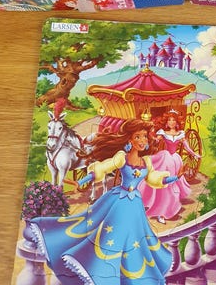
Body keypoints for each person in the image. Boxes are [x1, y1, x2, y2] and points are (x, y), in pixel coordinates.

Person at [30, 118, 175, 285]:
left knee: (134, 239)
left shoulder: (146, 161)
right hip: (118, 201)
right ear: (129, 140)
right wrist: (83, 180)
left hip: (135, 205)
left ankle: (129, 275)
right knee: (109, 234)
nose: (142, 140)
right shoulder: (122, 157)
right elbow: (103, 168)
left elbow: (153, 177)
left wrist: (170, 179)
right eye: (137, 137)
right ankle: (99, 270)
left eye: (144, 136)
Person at [139, 110, 198, 224]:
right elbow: (156, 140)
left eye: (173, 120)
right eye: (169, 120)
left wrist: (194, 153)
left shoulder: (180, 133)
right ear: (166, 122)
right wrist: (152, 137)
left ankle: (165, 209)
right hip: (165, 158)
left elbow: (186, 146)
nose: (171, 122)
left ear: (177, 122)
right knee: (161, 182)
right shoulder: (163, 133)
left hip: (175, 159)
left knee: (171, 185)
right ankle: (156, 206)